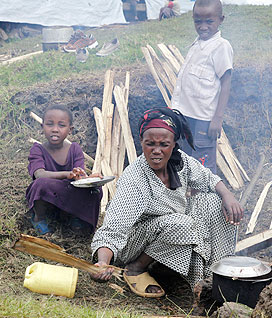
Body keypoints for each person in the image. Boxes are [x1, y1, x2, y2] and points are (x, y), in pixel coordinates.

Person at [90, 108, 243, 297]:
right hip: (133, 244)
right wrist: (103, 262)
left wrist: (227, 195)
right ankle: (136, 269)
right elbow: (114, 229)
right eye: (150, 144)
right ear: (141, 143)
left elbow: (209, 179)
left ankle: (216, 274)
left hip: (172, 231)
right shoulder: (135, 178)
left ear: (173, 145)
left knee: (213, 201)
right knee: (183, 224)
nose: (156, 151)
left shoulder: (180, 162)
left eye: (164, 144)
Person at [171, 0, 232, 174]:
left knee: (203, 166)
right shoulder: (197, 44)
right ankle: (188, 198)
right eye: (198, 21)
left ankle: (205, 200)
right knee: (186, 160)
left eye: (209, 21)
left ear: (221, 20)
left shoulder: (221, 47)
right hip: (186, 117)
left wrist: (217, 118)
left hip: (204, 121)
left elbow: (226, 82)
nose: (203, 26)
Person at [26, 104, 102, 235]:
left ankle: (75, 217)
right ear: (42, 127)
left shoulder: (75, 149)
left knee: (95, 189)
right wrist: (67, 174)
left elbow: (79, 177)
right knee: (41, 184)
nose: (55, 129)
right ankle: (39, 218)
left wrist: (89, 178)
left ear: (70, 129)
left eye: (61, 125)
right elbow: (39, 174)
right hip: (48, 197)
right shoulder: (37, 149)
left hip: (68, 193)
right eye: (50, 124)